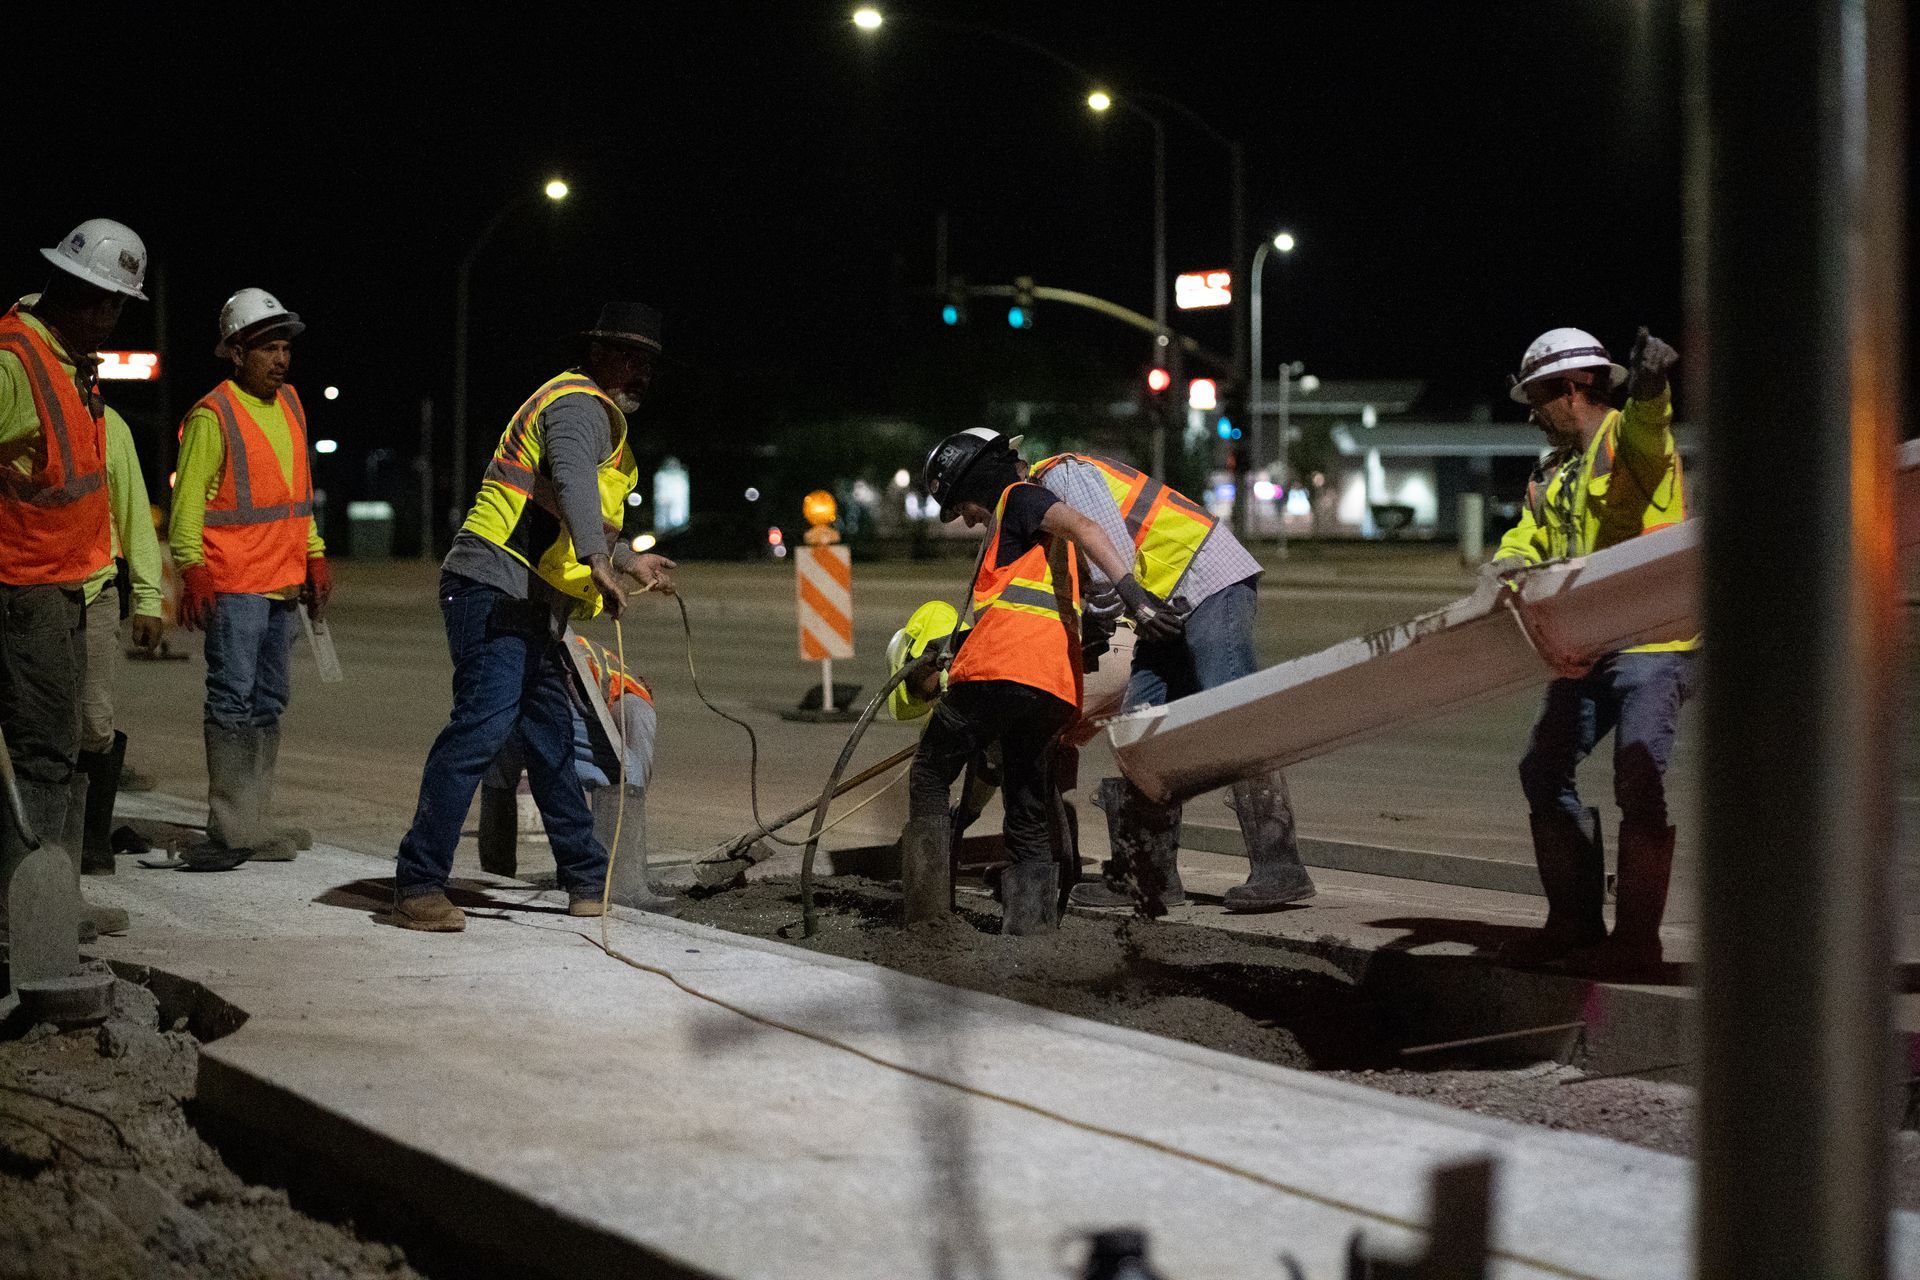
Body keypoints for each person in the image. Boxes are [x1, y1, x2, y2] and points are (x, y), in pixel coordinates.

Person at [390, 302, 677, 932]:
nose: (640, 372)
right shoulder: (578, 404)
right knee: (481, 729)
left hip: (527, 598)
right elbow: (573, 484)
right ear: (598, 354)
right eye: (628, 356)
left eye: (648, 361)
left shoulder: (584, 411)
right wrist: (600, 557)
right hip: (492, 585)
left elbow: (553, 500)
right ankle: (417, 883)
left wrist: (628, 561)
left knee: (549, 737)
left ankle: (582, 877)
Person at [1006, 443, 1314, 914]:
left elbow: (1111, 548)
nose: (973, 521)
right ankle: (1148, 878)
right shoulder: (1044, 509)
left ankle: (1281, 868)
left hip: (1208, 581)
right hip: (1163, 604)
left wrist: (1105, 616)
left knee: (1232, 716)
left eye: (971, 508)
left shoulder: (1058, 477)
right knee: (1140, 731)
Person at [905, 428, 1170, 934]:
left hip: (999, 676)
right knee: (1026, 804)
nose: (966, 517)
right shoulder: (1041, 547)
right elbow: (1023, 609)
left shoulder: (1020, 499)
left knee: (929, 774)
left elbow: (1089, 527)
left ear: (975, 479)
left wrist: (1136, 596)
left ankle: (927, 918)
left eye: (961, 504)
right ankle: (1030, 933)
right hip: (1050, 689)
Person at [1489, 326, 1693, 973]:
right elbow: (1527, 537)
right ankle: (1574, 925)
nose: (1531, 413)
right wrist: (1507, 569)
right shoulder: (1554, 470)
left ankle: (1636, 943)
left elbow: (1648, 428)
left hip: (1656, 640)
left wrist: (1652, 387)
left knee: (1639, 778)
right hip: (1590, 643)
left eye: (1536, 398)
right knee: (1542, 771)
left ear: (1571, 388)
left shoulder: (1624, 440)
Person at [0, 219, 150, 938]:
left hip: (64, 584)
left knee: (57, 746)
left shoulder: (66, 362)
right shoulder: (16, 361)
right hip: (23, 587)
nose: (109, 317)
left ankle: (46, 903)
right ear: (68, 290)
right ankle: (27, 914)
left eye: (118, 305)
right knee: (41, 749)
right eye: (101, 302)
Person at [171, 289, 330, 869]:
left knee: (269, 703)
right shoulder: (214, 415)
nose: (282, 359)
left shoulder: (290, 404)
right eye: (268, 348)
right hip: (235, 585)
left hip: (282, 586)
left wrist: (313, 553)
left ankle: (250, 822)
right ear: (236, 353)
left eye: (285, 347)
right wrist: (192, 569)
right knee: (232, 702)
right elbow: (187, 505)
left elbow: (296, 494)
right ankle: (231, 826)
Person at [477, 628, 677, 915]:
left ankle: (497, 873)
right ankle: (620, 887)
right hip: (559, 674)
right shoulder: (637, 702)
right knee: (620, 774)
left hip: (508, 665)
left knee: (500, 770)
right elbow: (633, 776)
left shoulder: (614, 679)